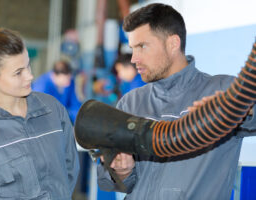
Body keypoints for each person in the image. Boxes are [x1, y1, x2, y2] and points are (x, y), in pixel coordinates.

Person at [97, 3, 256, 200]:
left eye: (142, 47)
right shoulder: (131, 103)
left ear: (173, 44)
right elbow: (109, 180)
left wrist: (238, 108)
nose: (134, 58)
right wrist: (122, 172)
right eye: (132, 48)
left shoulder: (223, 91)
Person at [0, 28, 79, 199]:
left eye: (28, 65)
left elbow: (69, 171)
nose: (29, 76)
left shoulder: (52, 109)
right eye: (18, 72)